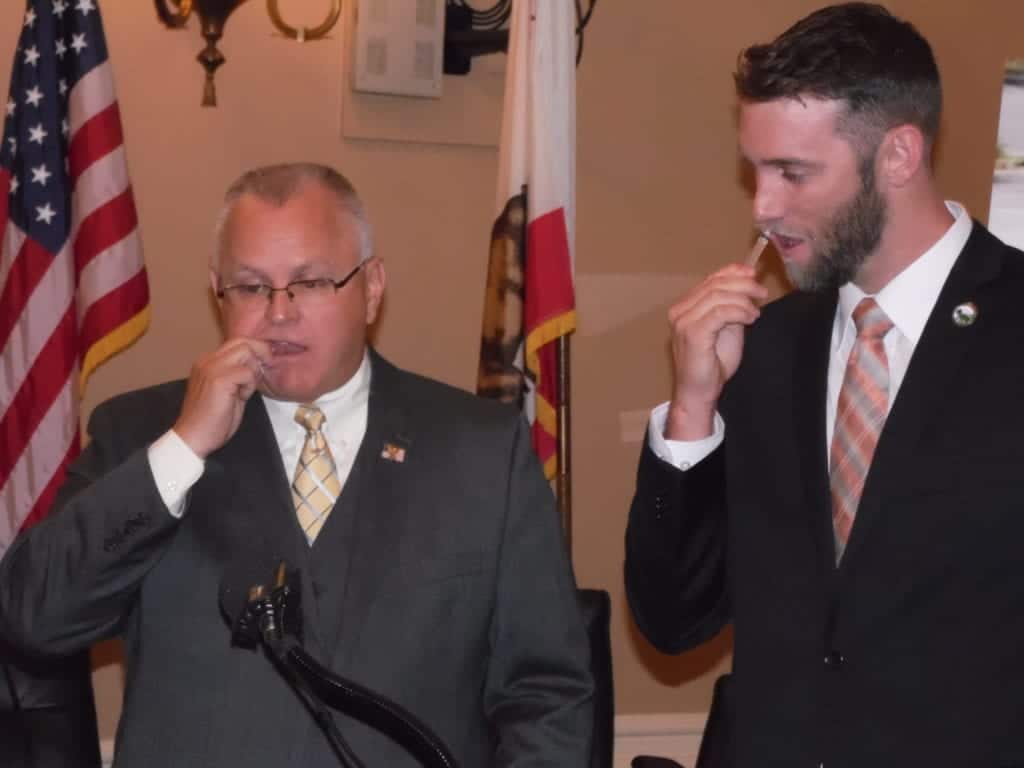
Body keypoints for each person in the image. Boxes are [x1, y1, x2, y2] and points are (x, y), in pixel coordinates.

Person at [0, 162, 594, 766]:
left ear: (373, 287)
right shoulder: (140, 433)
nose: (279, 313)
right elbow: (35, 619)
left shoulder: (481, 452)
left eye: (310, 283)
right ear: (218, 292)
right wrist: (182, 449)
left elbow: (545, 696)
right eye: (252, 287)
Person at [625, 4, 1024, 766]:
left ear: (898, 156)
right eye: (757, 170)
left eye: (793, 172)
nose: (763, 207)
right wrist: (693, 409)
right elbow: (674, 622)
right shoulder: (760, 351)